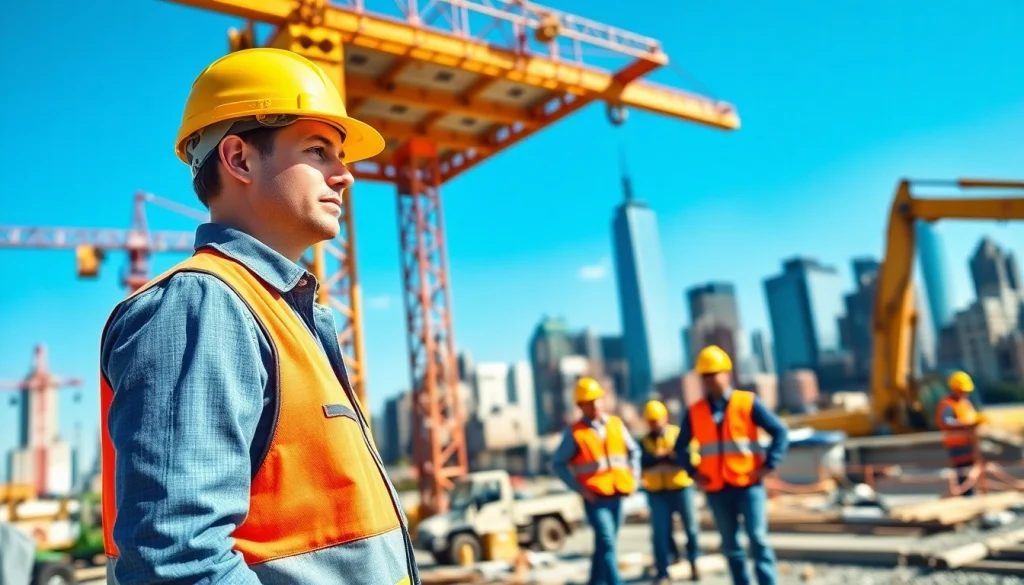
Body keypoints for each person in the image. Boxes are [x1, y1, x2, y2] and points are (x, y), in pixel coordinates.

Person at [98, 48, 416, 585]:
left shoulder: (281, 312)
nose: (346, 176)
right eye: (320, 151)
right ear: (239, 159)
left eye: (341, 156)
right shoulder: (203, 305)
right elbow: (176, 560)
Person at [675, 345, 789, 585]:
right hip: (717, 488)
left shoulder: (746, 402)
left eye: (713, 374)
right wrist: (694, 473)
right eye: (704, 376)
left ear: (727, 373)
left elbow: (779, 431)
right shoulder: (695, 411)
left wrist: (769, 464)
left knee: (758, 539)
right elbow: (680, 446)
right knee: (731, 546)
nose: (709, 380)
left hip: (749, 484)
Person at [551, 377, 641, 585]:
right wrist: (579, 489)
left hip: (617, 493)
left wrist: (633, 480)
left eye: (598, 400)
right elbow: (558, 464)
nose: (596, 405)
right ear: (580, 406)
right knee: (608, 544)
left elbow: (634, 451)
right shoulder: (575, 433)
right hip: (595, 499)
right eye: (589, 402)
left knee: (604, 545)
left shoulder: (615, 424)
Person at [641, 399, 701, 583]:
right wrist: (659, 458)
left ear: (665, 417)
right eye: (651, 421)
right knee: (660, 534)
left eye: (657, 420)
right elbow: (642, 462)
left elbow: (690, 457)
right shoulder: (644, 441)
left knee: (690, 528)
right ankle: (663, 572)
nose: (655, 424)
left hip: (681, 487)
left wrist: (669, 458)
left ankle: (694, 561)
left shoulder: (677, 434)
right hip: (657, 492)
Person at [936, 371, 982, 497]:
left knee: (972, 470)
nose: (964, 393)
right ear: (954, 389)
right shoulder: (947, 404)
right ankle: (967, 495)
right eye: (961, 390)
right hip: (957, 445)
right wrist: (966, 424)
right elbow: (945, 422)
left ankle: (971, 492)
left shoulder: (965, 403)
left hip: (969, 443)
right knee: (963, 471)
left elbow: (971, 417)